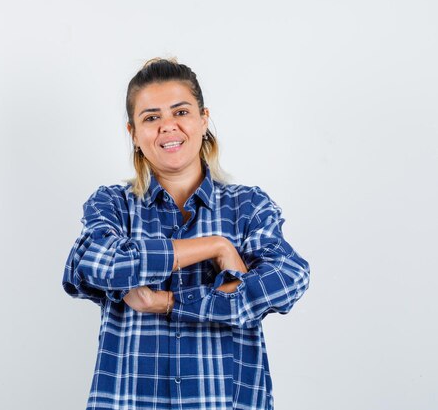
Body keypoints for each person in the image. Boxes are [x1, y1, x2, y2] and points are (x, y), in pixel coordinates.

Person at [62, 57, 310, 410]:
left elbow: (288, 280)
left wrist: (169, 302)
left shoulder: (248, 207)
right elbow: (100, 265)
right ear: (133, 133)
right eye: (151, 117)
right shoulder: (113, 205)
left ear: (203, 120)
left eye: (180, 112)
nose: (167, 127)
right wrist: (216, 246)